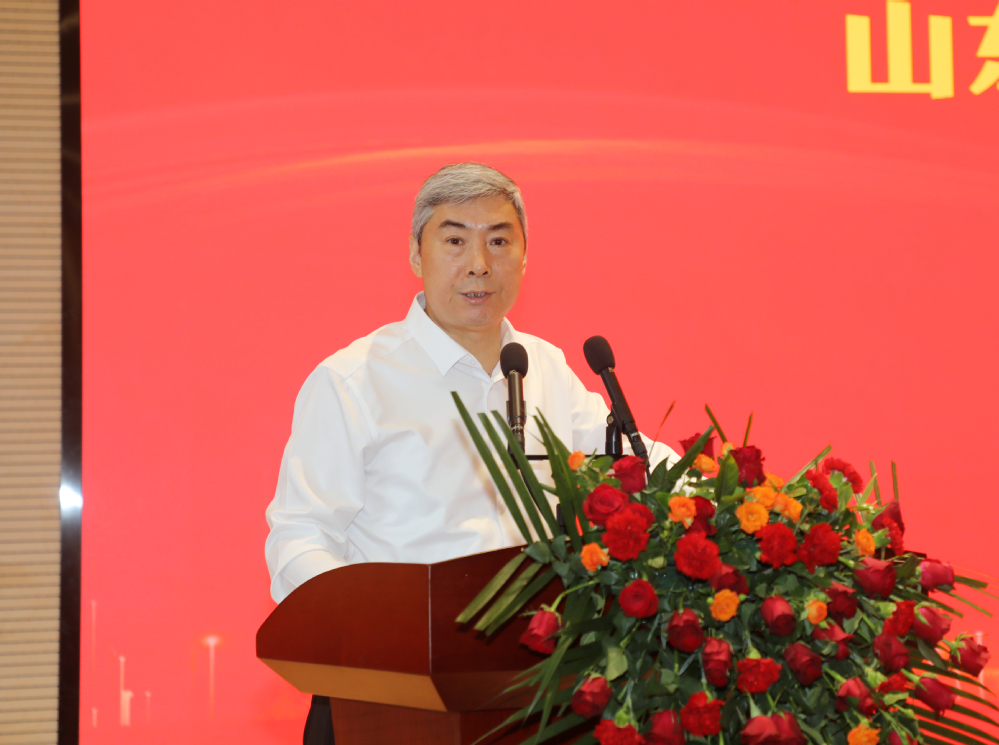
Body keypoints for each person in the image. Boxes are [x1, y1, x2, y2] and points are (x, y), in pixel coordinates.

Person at [264, 163, 678, 745]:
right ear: (417, 254)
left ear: (525, 257)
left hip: (536, 693)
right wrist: (371, 628)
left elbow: (634, 464)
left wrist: (727, 502)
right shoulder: (353, 380)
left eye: (499, 242)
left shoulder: (544, 368)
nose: (479, 263)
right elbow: (300, 536)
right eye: (455, 241)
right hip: (390, 697)